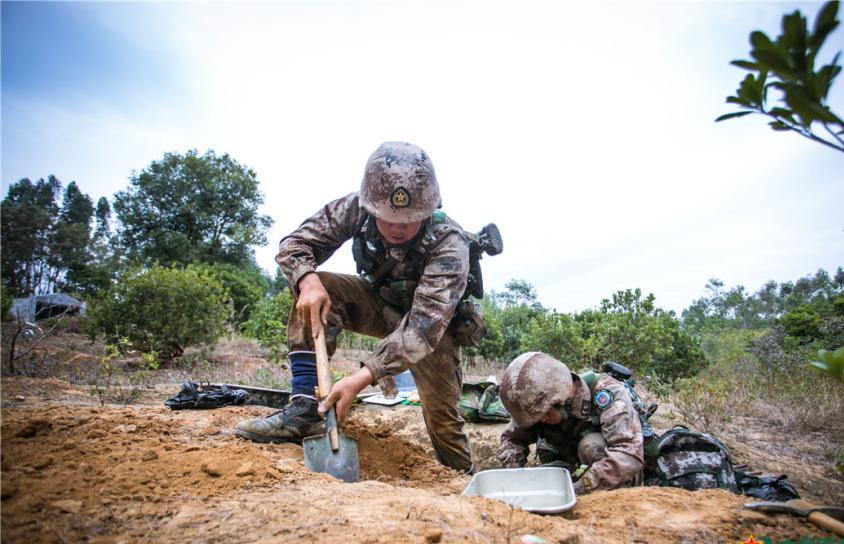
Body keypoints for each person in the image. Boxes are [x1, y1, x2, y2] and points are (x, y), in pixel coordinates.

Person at [235, 141, 486, 473]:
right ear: (372, 206)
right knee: (322, 285)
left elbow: (422, 329)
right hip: (379, 305)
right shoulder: (357, 208)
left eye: (409, 220)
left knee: (444, 422)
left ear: (428, 210)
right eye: (387, 218)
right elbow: (294, 245)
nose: (398, 228)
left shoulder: (450, 244)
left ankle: (460, 477)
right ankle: (306, 410)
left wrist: (360, 379)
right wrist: (306, 279)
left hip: (429, 333)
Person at [497, 352, 644, 495]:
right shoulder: (536, 403)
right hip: (572, 465)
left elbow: (628, 454)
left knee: (592, 446)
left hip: (613, 472)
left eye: (544, 415)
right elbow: (512, 439)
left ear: (561, 399)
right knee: (545, 457)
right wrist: (514, 474)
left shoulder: (607, 393)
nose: (540, 420)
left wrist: (582, 487)